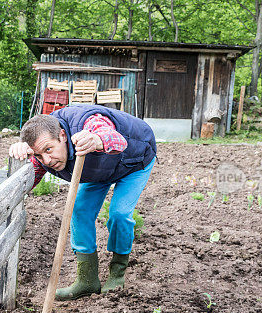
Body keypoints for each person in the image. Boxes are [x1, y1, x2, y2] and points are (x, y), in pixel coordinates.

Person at [9, 103, 156, 301]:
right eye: (38, 154)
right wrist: (20, 156)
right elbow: (27, 183)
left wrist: (95, 139)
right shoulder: (43, 149)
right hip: (98, 169)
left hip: (134, 161)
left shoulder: (88, 121)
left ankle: (117, 274)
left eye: (49, 149)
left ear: (62, 135)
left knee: (119, 214)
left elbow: (116, 140)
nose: (47, 160)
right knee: (79, 211)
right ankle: (87, 280)